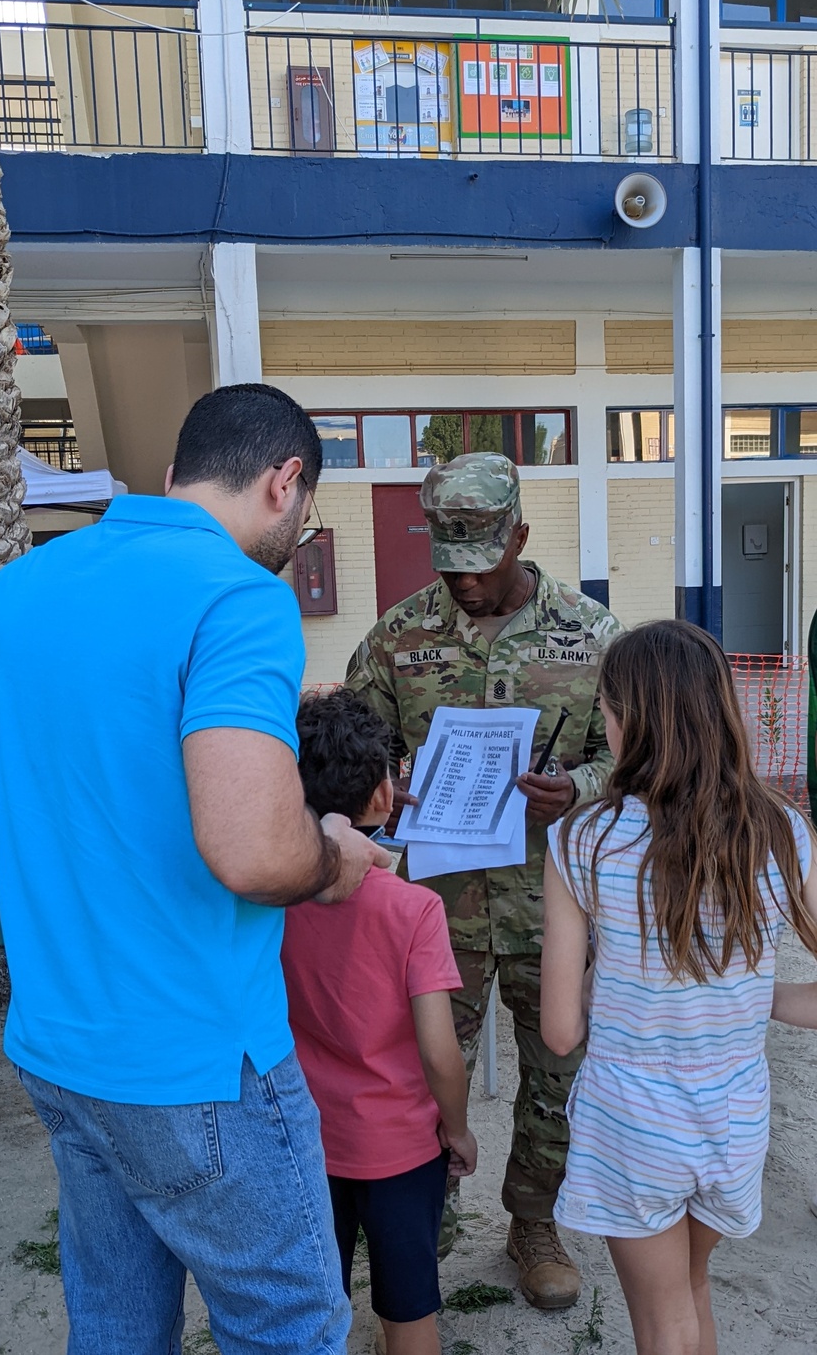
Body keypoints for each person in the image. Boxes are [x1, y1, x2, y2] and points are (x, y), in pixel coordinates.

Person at [0, 383, 390, 1355]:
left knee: (114, 1328)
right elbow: (252, 848)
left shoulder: (36, 579)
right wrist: (331, 858)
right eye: (303, 511)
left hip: (64, 1054)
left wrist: (36, 810)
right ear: (285, 482)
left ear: (178, 470)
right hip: (200, 1060)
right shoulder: (238, 597)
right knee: (290, 1325)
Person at [346, 452, 624, 1310]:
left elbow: (639, 755)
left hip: (556, 906)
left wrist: (575, 787)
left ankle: (533, 1221)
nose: (464, 584)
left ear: (521, 540)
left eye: (483, 564)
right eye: (450, 565)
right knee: (426, 1071)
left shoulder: (593, 636)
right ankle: (424, 1218)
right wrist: (389, 782)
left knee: (558, 1070)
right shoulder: (398, 637)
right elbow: (350, 750)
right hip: (439, 911)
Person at [542, 619, 817, 1355]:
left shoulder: (583, 840)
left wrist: (608, 980)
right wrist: (765, 1001)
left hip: (634, 1120)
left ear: (630, 718)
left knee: (661, 1323)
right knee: (692, 1295)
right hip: (733, 1115)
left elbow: (561, 1031)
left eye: (605, 707)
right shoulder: (783, 831)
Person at [282, 691, 477, 1355]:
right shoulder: (415, 909)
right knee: (409, 1311)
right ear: (384, 797)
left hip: (304, 1138)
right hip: (400, 1147)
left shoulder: (269, 898)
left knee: (310, 1305)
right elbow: (439, 1051)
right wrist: (457, 1128)